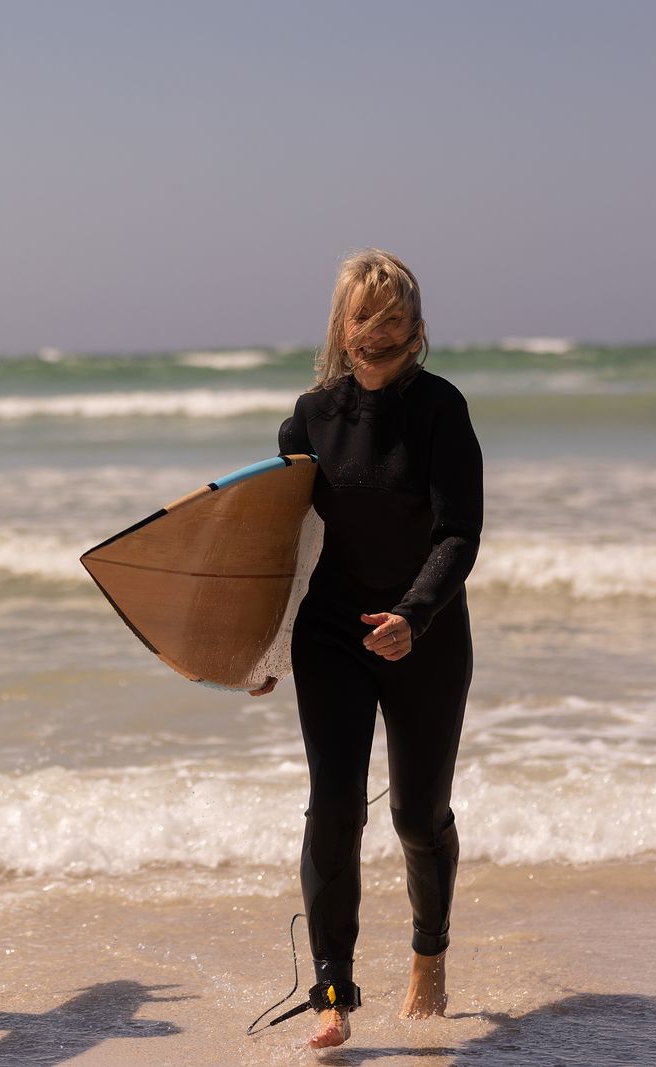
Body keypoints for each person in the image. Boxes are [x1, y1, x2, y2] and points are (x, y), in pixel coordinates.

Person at [257, 249, 482, 1049]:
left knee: (417, 816)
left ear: (417, 330)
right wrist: (264, 645)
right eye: (365, 318)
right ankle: (331, 988)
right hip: (331, 637)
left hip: (425, 634)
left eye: (394, 320)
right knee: (335, 807)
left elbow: (459, 532)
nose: (378, 334)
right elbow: (280, 541)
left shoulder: (441, 410)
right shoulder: (311, 417)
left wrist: (413, 616)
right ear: (341, 328)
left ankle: (429, 952)